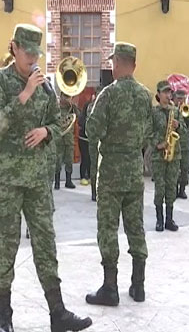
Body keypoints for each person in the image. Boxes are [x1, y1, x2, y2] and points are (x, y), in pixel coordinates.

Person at [0, 24, 91, 332]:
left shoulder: (45, 86)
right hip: (6, 179)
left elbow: (59, 123)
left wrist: (47, 131)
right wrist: (25, 92)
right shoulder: (1, 80)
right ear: (14, 47)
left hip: (37, 179)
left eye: (36, 53)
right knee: (6, 245)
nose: (32, 58)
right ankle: (4, 316)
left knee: (46, 243)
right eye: (27, 51)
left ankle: (57, 313)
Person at [85, 42, 151, 306]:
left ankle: (110, 288)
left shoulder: (108, 95)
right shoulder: (145, 95)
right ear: (133, 65)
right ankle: (138, 286)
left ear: (118, 63)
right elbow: (150, 130)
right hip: (134, 171)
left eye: (113, 62)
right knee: (136, 226)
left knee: (108, 228)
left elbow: (92, 131)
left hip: (111, 171)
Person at [150, 81, 185, 231]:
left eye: (169, 92)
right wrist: (158, 144)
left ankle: (169, 219)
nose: (168, 95)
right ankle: (159, 219)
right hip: (159, 155)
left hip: (174, 154)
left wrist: (179, 126)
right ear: (158, 94)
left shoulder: (175, 111)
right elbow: (147, 131)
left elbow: (184, 129)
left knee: (171, 187)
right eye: (164, 92)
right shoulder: (153, 112)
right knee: (160, 187)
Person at [55, 93, 78, 189]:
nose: (67, 98)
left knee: (69, 159)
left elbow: (79, 116)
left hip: (69, 138)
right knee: (58, 159)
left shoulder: (72, 108)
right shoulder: (56, 107)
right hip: (59, 138)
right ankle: (57, 182)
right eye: (65, 96)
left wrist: (72, 105)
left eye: (69, 96)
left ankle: (68, 181)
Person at [172, 89, 189, 199]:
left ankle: (182, 190)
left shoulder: (187, 110)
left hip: (184, 144)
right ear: (174, 99)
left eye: (182, 99)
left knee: (184, 169)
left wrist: (187, 112)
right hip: (173, 144)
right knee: (174, 169)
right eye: (178, 98)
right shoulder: (171, 110)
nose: (180, 101)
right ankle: (174, 189)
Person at [87, 90, 99, 201]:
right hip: (94, 141)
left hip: (103, 141)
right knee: (94, 166)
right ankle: (94, 192)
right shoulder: (92, 107)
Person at [78, 97, 91, 186]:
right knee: (85, 158)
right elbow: (81, 123)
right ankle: (83, 176)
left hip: (90, 139)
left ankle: (90, 176)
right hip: (83, 139)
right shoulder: (83, 117)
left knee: (90, 159)